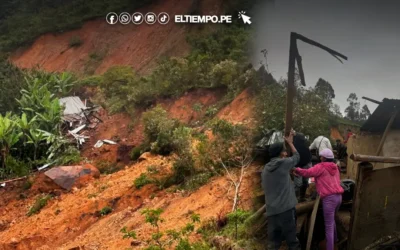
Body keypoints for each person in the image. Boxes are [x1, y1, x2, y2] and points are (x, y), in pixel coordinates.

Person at [294, 148, 344, 250]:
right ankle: (335, 241)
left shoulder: (320, 167)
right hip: (339, 198)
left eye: (321, 156)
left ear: (324, 158)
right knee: (332, 220)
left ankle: (330, 248)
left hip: (329, 199)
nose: (320, 158)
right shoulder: (335, 167)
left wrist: (297, 170)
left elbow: (307, 173)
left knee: (328, 226)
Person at [262, 131, 301, 250]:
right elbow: (296, 157)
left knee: (273, 244)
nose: (285, 153)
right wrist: (290, 143)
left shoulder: (266, 169)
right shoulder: (283, 163)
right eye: (284, 151)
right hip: (286, 210)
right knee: (292, 242)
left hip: (272, 212)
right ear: (281, 154)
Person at [293, 131, 312, 201]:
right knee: (298, 184)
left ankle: (302, 197)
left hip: (305, 165)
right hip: (298, 166)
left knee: (304, 182)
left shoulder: (304, 144)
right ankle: (295, 200)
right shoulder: (294, 146)